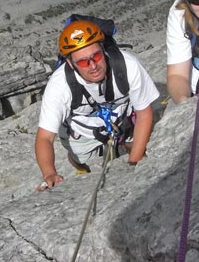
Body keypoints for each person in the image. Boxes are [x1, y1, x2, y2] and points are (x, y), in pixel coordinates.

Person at [35, 19, 159, 190]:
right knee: (81, 162)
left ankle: (125, 145)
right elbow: (45, 137)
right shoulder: (59, 85)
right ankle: (79, 163)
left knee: (136, 143)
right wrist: (49, 174)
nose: (93, 66)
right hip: (82, 131)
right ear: (71, 64)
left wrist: (133, 163)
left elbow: (144, 113)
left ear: (103, 49)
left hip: (122, 118)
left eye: (97, 56)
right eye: (83, 62)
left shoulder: (127, 65)